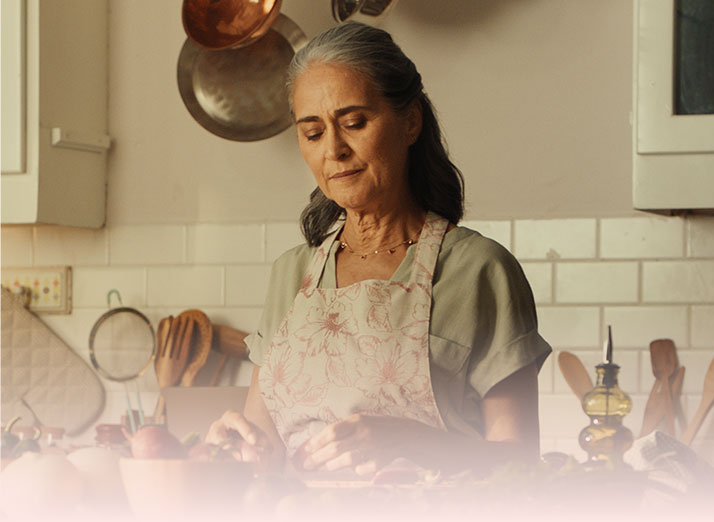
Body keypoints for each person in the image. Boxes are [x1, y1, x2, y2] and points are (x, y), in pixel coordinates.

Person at [207, 22, 551, 477]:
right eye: (312, 133)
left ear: (410, 121)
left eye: (354, 123)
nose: (335, 150)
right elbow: (263, 445)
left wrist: (411, 441)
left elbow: (521, 464)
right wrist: (233, 447)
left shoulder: (479, 271)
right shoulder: (292, 273)